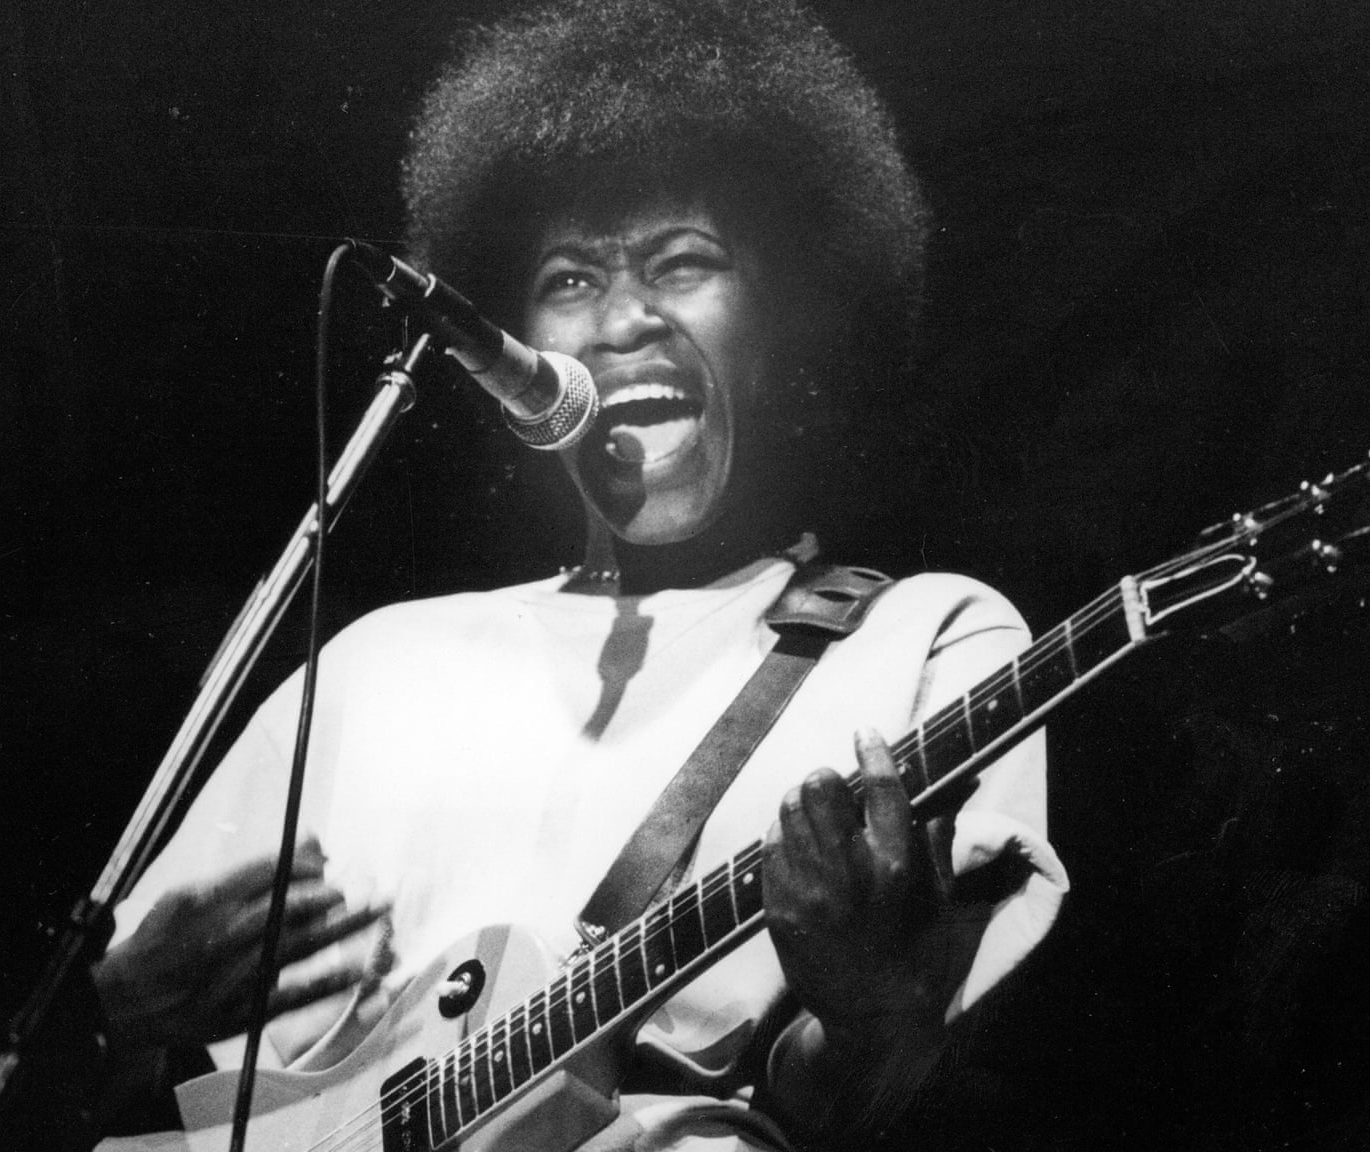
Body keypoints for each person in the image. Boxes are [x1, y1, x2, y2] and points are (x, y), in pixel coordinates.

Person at [91, 1, 1067, 1148]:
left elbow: (916, 1093)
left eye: (684, 261)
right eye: (568, 280)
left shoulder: (926, 638)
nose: (621, 320)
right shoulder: (374, 667)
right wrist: (112, 1018)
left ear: (789, 321)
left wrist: (866, 1011)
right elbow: (106, 1100)